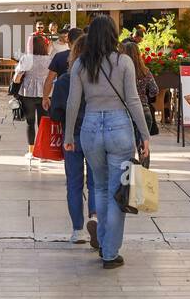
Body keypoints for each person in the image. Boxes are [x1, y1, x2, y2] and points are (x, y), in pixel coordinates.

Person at [64, 16, 151, 270]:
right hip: (119, 128)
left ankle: (103, 242)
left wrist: (69, 136)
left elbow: (73, 103)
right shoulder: (123, 62)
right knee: (117, 192)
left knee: (99, 188)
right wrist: (144, 135)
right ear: (113, 35)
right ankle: (110, 252)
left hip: (90, 127)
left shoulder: (80, 64)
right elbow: (134, 101)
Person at [50, 35, 97, 245]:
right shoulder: (98, 78)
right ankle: (95, 216)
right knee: (96, 181)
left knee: (74, 184)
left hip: (72, 137)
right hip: (95, 134)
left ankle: (78, 230)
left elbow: (56, 114)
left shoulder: (63, 81)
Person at [14, 33, 53, 151]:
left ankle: (31, 151)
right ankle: (43, 150)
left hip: (28, 94)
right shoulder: (49, 59)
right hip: (45, 94)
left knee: (30, 123)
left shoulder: (26, 58)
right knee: (43, 124)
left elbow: (16, 79)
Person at [119, 41, 159, 136]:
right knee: (143, 147)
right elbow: (155, 90)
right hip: (144, 111)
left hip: (126, 111)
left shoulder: (121, 71)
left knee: (128, 148)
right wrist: (146, 95)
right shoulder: (145, 71)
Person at [41, 27, 83, 115]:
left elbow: (49, 79)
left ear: (68, 41)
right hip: (83, 97)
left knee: (64, 125)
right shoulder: (89, 57)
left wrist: (45, 97)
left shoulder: (59, 56)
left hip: (64, 97)